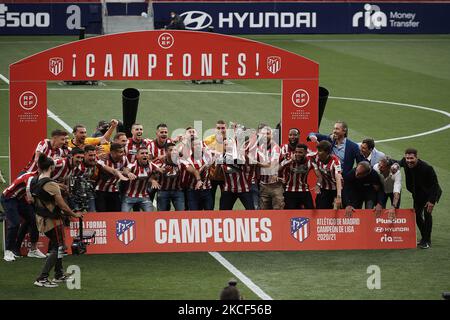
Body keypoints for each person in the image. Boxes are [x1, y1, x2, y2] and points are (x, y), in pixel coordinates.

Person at [30, 154, 82, 288]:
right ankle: (42, 278)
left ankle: (59, 274)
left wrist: (58, 187)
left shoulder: (35, 180)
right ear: (52, 167)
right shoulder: (51, 184)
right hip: (52, 220)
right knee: (58, 247)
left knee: (57, 246)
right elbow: (62, 205)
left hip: (41, 218)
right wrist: (74, 214)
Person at [391, 148, 442, 249]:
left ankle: (427, 241)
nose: (409, 160)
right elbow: (398, 162)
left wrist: (431, 201)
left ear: (416, 157)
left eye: (411, 158)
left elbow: (435, 185)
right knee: (417, 215)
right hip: (418, 194)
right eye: (407, 158)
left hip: (430, 194)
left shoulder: (427, 168)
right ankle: (424, 237)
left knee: (427, 214)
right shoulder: (405, 162)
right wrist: (392, 163)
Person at [1, 171, 46, 261]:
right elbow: (30, 198)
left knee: (33, 219)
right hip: (8, 198)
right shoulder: (30, 178)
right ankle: (8, 251)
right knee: (15, 223)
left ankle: (33, 250)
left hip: (19, 198)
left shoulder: (38, 177)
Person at [95, 143, 130, 212]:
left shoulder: (124, 159)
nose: (123, 154)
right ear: (112, 153)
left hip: (113, 190)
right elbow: (112, 171)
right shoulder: (103, 158)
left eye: (123, 151)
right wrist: (120, 174)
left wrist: (127, 172)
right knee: (102, 213)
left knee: (116, 213)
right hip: (100, 190)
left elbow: (127, 168)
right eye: (120, 152)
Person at [122, 147, 159, 212]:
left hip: (144, 196)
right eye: (142, 153)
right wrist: (129, 173)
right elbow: (125, 170)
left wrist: (153, 180)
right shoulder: (133, 165)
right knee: (123, 217)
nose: (145, 155)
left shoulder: (152, 165)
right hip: (129, 196)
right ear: (137, 156)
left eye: (146, 153)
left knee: (151, 216)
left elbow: (160, 171)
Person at [256, 125, 284, 210]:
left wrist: (256, 163)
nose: (265, 135)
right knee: (264, 212)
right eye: (263, 134)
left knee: (278, 210)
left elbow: (271, 165)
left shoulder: (275, 148)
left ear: (271, 135)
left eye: (267, 133)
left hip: (275, 186)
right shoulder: (258, 148)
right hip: (263, 184)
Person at [152, 143, 186, 211]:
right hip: (163, 191)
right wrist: (153, 180)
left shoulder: (181, 161)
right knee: (162, 214)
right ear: (166, 152)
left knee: (182, 213)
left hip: (178, 191)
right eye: (171, 150)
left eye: (175, 150)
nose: (173, 152)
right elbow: (149, 171)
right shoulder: (159, 161)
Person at [280, 144, 316, 209]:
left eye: (300, 152)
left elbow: (319, 174)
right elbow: (278, 169)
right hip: (290, 191)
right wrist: (290, 161)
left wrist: (318, 184)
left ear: (305, 153)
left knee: (311, 211)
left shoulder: (310, 161)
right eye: (296, 152)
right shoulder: (289, 160)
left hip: (304, 190)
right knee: (290, 214)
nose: (297, 154)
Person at [312, 140, 343, 209]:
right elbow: (319, 175)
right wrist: (318, 184)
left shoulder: (335, 161)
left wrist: (338, 196)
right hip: (324, 189)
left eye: (320, 151)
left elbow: (338, 178)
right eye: (318, 150)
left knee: (337, 209)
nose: (318, 153)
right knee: (320, 208)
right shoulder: (315, 157)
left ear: (327, 152)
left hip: (336, 189)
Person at [204, 120, 227, 209]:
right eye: (218, 128)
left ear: (226, 129)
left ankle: (223, 218)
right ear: (215, 129)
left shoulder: (230, 140)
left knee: (225, 201)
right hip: (211, 176)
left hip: (225, 176)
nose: (221, 130)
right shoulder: (208, 140)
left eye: (223, 128)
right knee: (210, 202)